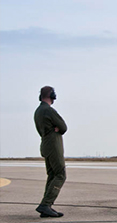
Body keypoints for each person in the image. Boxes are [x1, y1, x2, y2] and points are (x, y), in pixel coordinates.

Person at [34, 86, 68, 218]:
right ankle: (46, 204)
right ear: (52, 95)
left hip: (45, 144)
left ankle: (46, 206)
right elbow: (64, 127)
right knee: (60, 174)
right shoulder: (48, 110)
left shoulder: (38, 111)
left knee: (52, 175)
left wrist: (56, 128)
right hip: (54, 145)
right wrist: (57, 128)